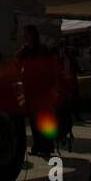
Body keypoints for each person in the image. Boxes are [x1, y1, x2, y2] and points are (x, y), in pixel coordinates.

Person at [16, 25, 60, 158]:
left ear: (31, 35)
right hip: (35, 89)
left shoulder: (34, 50)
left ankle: (43, 146)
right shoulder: (30, 50)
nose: (24, 36)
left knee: (40, 119)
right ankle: (40, 146)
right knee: (36, 120)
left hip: (39, 89)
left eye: (25, 33)